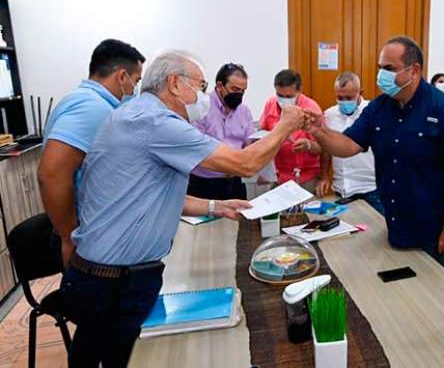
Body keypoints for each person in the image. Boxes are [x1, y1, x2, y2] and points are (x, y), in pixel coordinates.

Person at [60, 51, 307, 367]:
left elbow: (151, 194)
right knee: (122, 358)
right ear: (175, 84)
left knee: (95, 353)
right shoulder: (156, 122)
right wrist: (285, 125)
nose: (204, 98)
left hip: (105, 274)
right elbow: (246, 163)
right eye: (201, 87)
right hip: (114, 282)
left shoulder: (135, 113)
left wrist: (215, 205)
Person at [306, 35, 444, 265]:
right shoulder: (379, 107)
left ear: (414, 70)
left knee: (428, 294)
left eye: (389, 68)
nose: (381, 75)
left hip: (432, 230)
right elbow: (348, 146)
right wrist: (319, 131)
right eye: (380, 68)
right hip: (393, 221)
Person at [39, 39, 145, 267]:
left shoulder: (84, 101)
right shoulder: (91, 107)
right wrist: (69, 235)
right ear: (121, 76)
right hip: (87, 236)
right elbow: (52, 172)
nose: (134, 90)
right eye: (135, 81)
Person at [315, 72, 383, 214]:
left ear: (360, 93)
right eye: (340, 97)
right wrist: (325, 176)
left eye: (349, 97)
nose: (344, 101)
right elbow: (327, 149)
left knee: (376, 233)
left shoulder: (374, 112)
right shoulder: (329, 115)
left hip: (371, 190)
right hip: (341, 191)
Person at [188, 63, 254, 200]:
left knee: (238, 219)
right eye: (235, 89)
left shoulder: (244, 111)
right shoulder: (200, 108)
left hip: (235, 182)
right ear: (219, 86)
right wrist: (227, 164)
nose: (239, 94)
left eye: (243, 91)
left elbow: (249, 143)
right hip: (203, 183)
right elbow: (196, 148)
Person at [259, 69, 322, 193]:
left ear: (299, 90)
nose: (284, 100)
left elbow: (323, 148)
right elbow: (262, 136)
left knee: (304, 212)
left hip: (305, 178)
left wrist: (309, 145)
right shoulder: (270, 105)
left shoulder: (312, 109)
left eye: (289, 97)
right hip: (278, 177)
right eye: (280, 96)